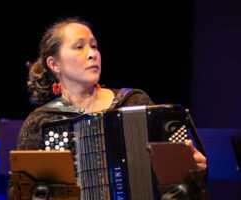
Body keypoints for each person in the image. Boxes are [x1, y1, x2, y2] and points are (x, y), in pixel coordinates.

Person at [11, 17, 207, 199]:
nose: (92, 54)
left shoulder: (134, 102)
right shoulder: (42, 122)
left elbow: (176, 180)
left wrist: (192, 169)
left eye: (94, 46)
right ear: (54, 64)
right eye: (79, 47)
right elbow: (19, 192)